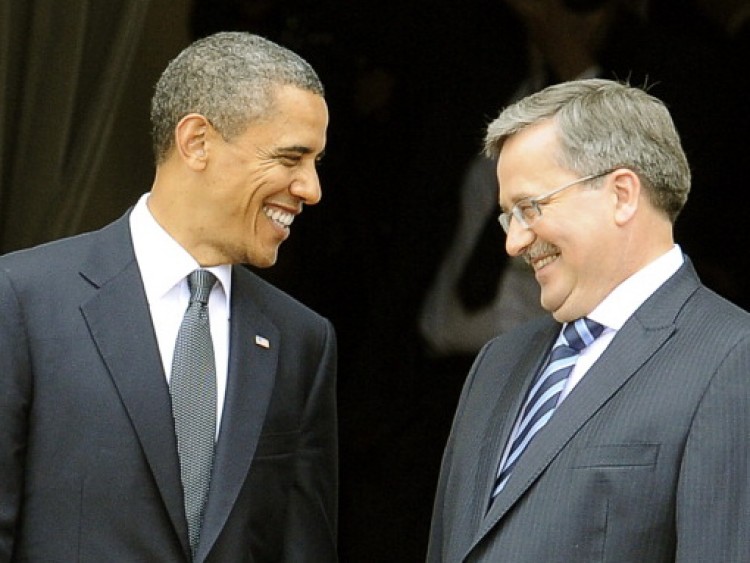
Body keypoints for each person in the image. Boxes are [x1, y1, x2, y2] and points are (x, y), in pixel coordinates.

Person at [0, 32, 337, 562]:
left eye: (315, 161)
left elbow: (302, 546)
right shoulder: (22, 300)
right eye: (291, 158)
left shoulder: (301, 339)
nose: (310, 188)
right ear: (197, 141)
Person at [427, 78, 750, 562]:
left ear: (621, 194)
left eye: (530, 207)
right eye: (507, 216)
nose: (513, 242)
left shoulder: (731, 358)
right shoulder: (498, 361)